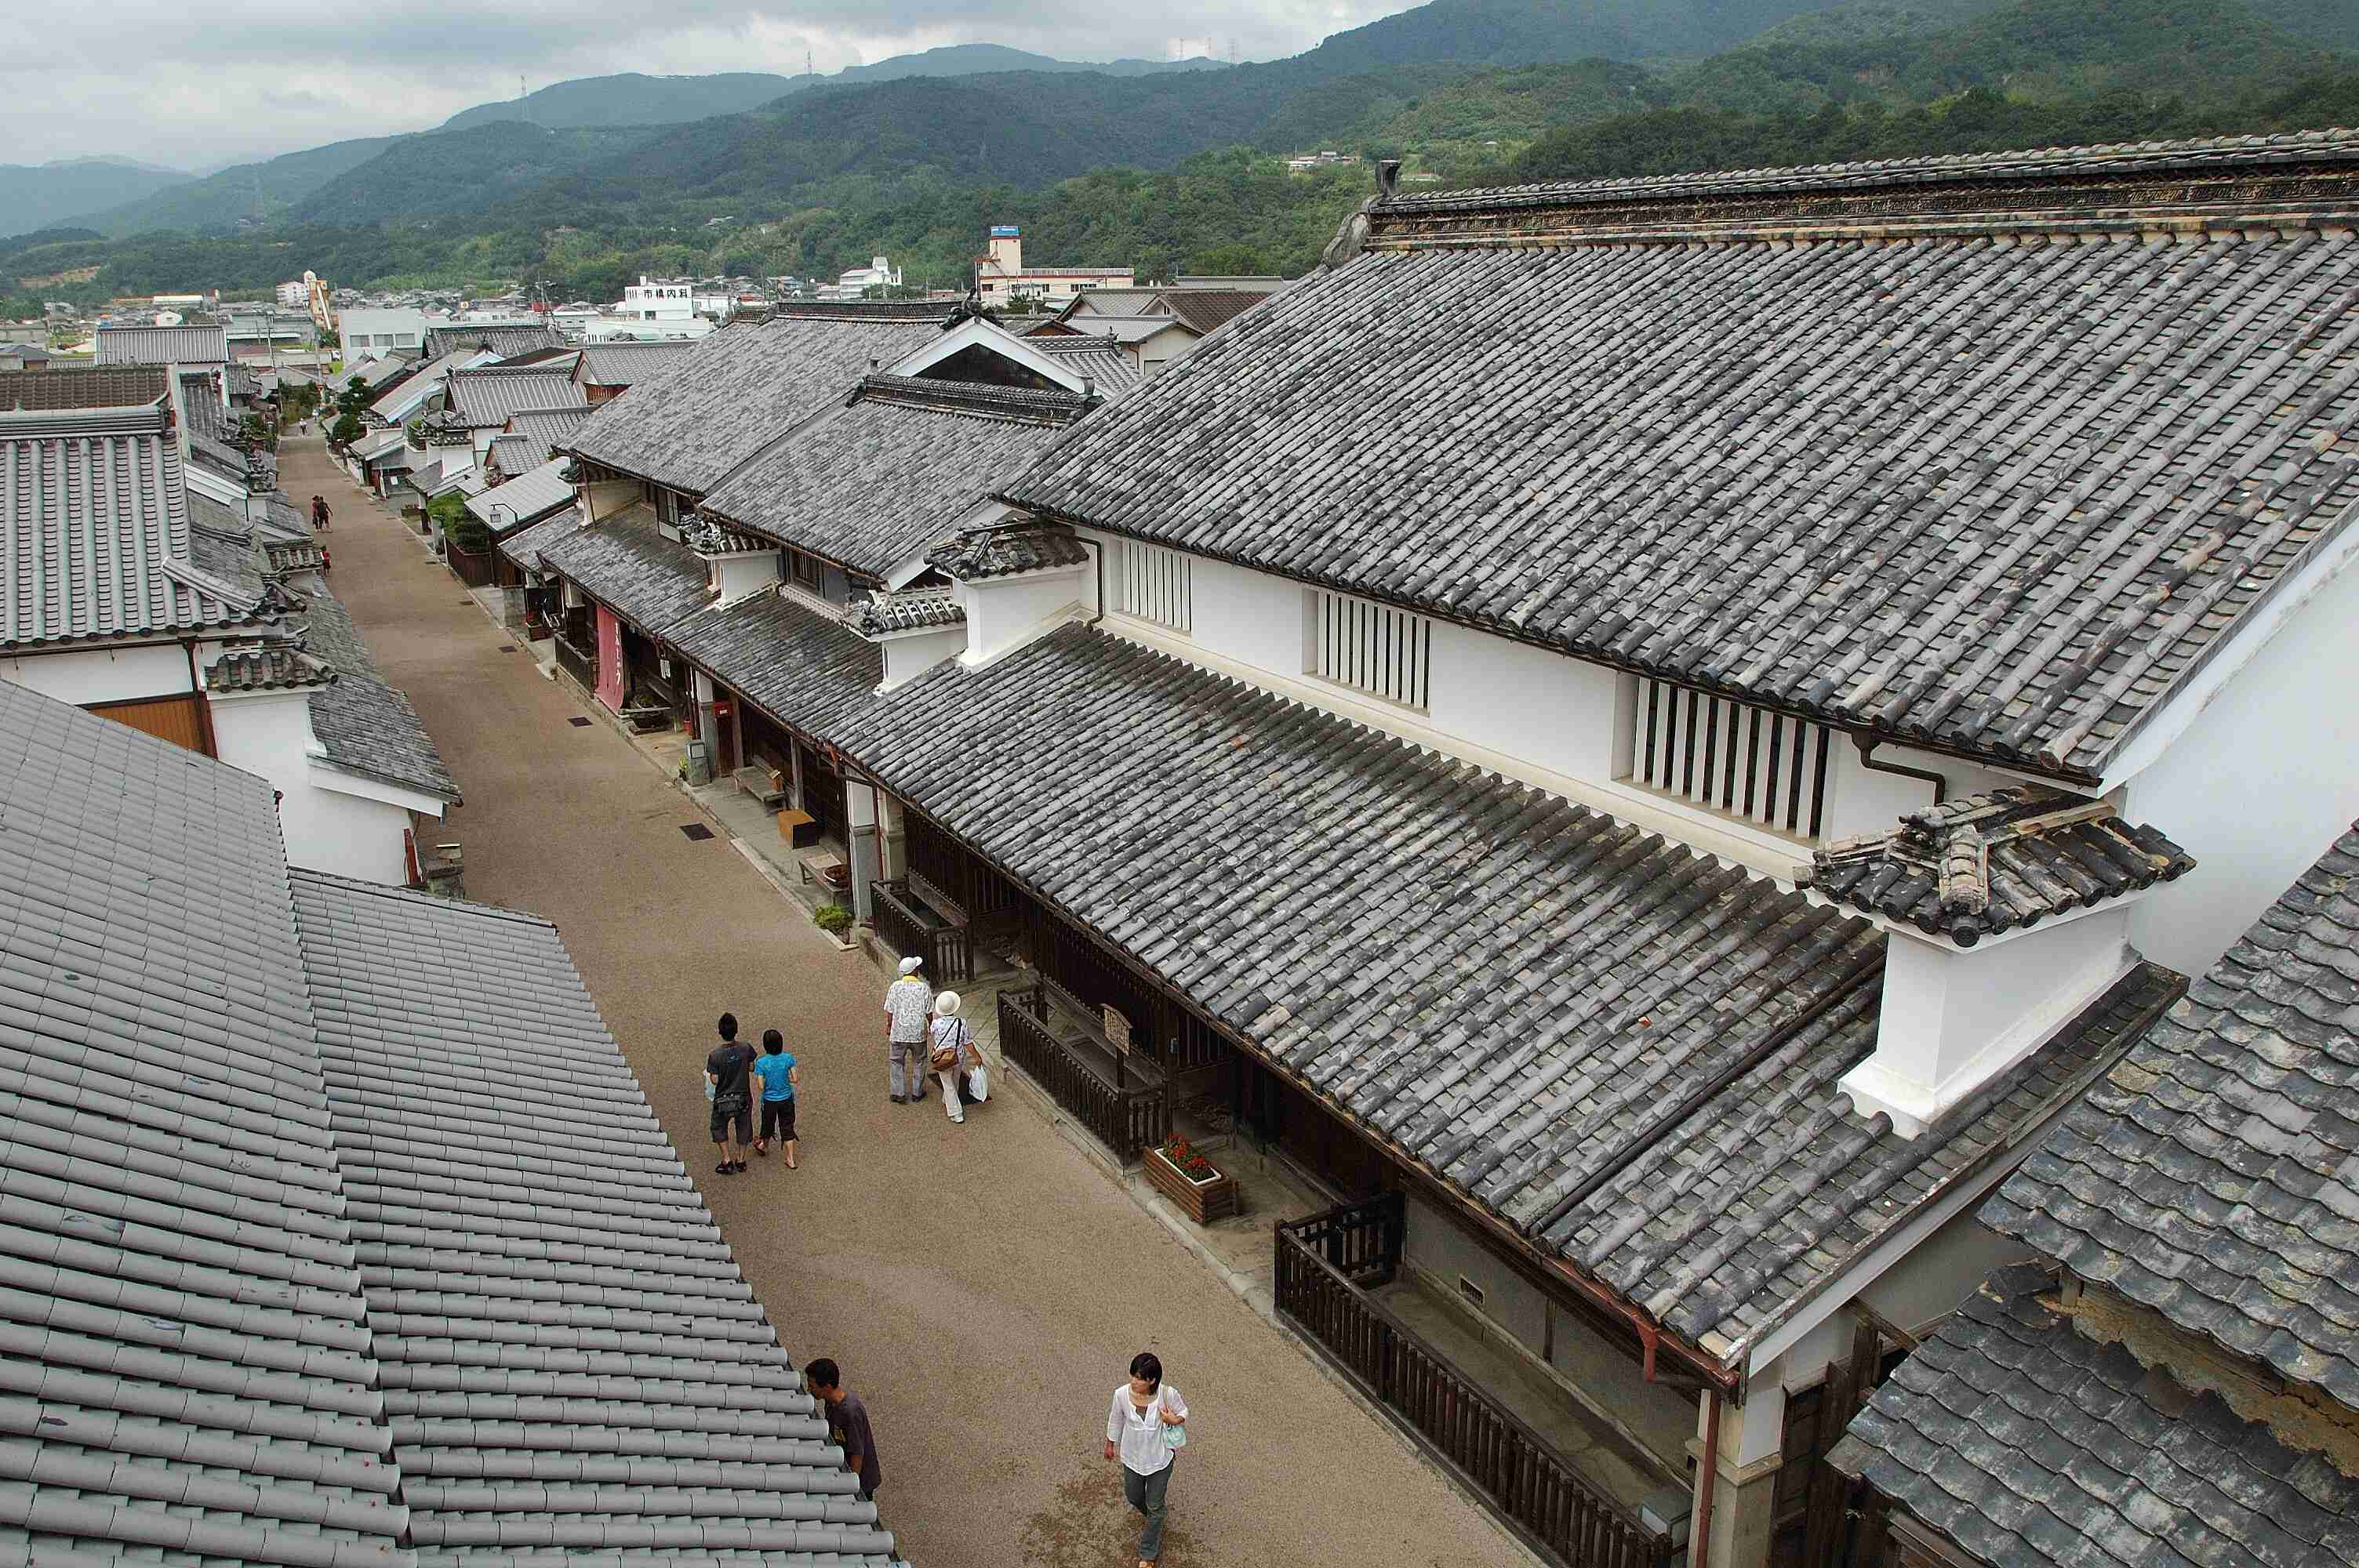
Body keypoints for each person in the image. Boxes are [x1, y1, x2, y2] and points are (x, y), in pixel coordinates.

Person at [1104, 1351, 1187, 1566]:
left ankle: (1148, 1553)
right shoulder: (1121, 1394)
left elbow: (1183, 1412)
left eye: (1138, 1378)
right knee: (1134, 1497)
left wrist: (1173, 1418)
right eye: (1132, 1375)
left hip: (1160, 1460)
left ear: (1151, 1380)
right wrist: (1110, 1444)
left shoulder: (1167, 1394)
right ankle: (1156, 1518)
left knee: (1155, 1504)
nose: (1133, 1381)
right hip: (1132, 1458)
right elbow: (1115, 1419)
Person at [805, 1359, 881, 1503]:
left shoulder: (850, 1412)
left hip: (861, 1480)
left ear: (826, 1387)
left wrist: (851, 1489)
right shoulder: (831, 1403)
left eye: (812, 1386)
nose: (809, 1390)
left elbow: (857, 1453)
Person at [705, 1012, 756, 1175]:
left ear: (720, 1032)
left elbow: (714, 1079)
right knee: (744, 1126)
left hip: (723, 1099)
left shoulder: (715, 1056)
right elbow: (751, 1067)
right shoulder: (746, 1048)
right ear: (736, 1030)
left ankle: (726, 1160)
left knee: (719, 1126)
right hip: (743, 1097)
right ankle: (741, 1160)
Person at [927, 991, 983, 1123]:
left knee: (947, 1083)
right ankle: (949, 1100)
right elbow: (968, 1042)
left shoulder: (936, 1023)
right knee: (955, 1080)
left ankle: (956, 1112)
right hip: (957, 1056)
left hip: (942, 1057)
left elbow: (931, 1033)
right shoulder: (961, 1023)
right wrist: (977, 1057)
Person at [884, 956, 932, 1104]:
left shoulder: (895, 987)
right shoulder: (923, 987)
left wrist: (889, 1025)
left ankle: (898, 1092)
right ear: (915, 971)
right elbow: (929, 1011)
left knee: (896, 1061)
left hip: (899, 1031)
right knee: (919, 1061)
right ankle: (917, 1092)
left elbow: (890, 1010)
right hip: (918, 1033)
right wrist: (931, 1025)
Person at [751, 1028, 799, 1166]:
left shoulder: (761, 1063)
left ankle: (763, 1146)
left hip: (770, 1101)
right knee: (787, 1126)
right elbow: (795, 1078)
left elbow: (761, 1086)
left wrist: (771, 1083)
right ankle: (790, 1159)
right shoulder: (788, 1058)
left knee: (767, 1124)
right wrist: (784, 1080)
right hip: (786, 1098)